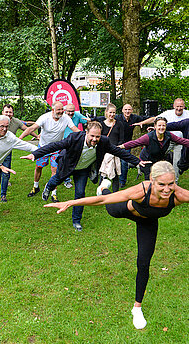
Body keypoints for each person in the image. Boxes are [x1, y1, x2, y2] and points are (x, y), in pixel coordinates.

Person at [45, 161, 189, 330]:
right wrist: (70, 203)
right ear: (152, 180)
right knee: (109, 205)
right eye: (161, 184)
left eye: (171, 184)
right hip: (124, 210)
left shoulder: (179, 195)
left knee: (143, 263)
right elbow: (103, 200)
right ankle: (104, 186)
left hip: (148, 222)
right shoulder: (142, 190)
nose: (167, 189)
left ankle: (137, 308)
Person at [21, 121, 145, 231]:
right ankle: (48, 187)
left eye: (97, 136)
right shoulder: (74, 138)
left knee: (80, 194)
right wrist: (35, 154)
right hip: (68, 165)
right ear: (86, 133)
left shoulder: (103, 142)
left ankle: (76, 220)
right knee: (56, 180)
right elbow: (54, 146)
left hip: (83, 170)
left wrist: (137, 161)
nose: (95, 139)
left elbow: (118, 151)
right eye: (92, 136)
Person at [19, 101, 80, 202]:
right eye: (58, 110)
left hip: (57, 148)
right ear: (53, 110)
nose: (61, 112)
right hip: (43, 147)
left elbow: (75, 129)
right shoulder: (44, 117)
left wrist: (85, 137)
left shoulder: (66, 118)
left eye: (62, 110)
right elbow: (32, 128)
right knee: (38, 167)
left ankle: (53, 193)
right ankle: (36, 187)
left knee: (55, 170)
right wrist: (19, 139)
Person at [133, 98, 189, 181]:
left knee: (177, 163)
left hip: (180, 142)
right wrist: (143, 123)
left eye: (181, 106)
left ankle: (174, 182)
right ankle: (145, 168)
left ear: (184, 106)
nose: (179, 108)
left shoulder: (187, 114)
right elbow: (155, 119)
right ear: (174, 106)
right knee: (156, 152)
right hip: (168, 140)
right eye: (177, 106)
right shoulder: (168, 113)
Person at [120, 116, 189, 180]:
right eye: (159, 125)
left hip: (158, 159)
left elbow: (182, 141)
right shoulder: (148, 137)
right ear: (155, 126)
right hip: (146, 160)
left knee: (160, 179)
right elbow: (134, 143)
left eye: (163, 125)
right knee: (150, 181)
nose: (161, 127)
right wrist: (120, 147)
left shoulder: (168, 135)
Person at [115, 104, 149, 187]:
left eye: (129, 109)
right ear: (122, 110)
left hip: (126, 144)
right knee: (112, 162)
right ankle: (110, 179)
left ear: (132, 110)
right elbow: (104, 119)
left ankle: (122, 182)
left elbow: (150, 118)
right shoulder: (117, 117)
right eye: (125, 109)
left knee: (124, 162)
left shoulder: (134, 118)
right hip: (115, 143)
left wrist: (142, 123)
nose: (127, 111)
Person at [94, 103, 124, 192]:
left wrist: (117, 147)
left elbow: (121, 139)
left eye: (114, 113)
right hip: (104, 152)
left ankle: (115, 194)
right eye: (110, 112)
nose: (112, 114)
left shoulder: (119, 124)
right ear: (106, 112)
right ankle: (100, 191)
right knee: (103, 172)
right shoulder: (101, 124)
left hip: (115, 151)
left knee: (115, 174)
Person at [63, 103, 89, 189]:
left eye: (72, 111)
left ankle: (74, 176)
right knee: (65, 160)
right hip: (63, 141)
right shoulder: (61, 116)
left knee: (74, 159)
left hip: (75, 140)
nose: (70, 113)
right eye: (68, 111)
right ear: (65, 111)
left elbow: (87, 120)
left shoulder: (77, 115)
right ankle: (66, 180)